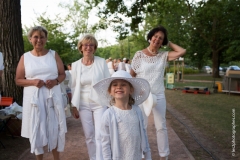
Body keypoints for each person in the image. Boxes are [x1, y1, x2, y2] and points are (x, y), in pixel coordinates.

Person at [130, 25, 186, 160]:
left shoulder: (163, 56)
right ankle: (142, 153)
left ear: (163, 42)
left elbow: (182, 51)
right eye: (155, 36)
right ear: (150, 38)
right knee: (141, 125)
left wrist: (169, 42)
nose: (157, 39)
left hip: (159, 94)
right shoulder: (139, 54)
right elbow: (132, 75)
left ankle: (164, 155)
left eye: (161, 38)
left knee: (161, 126)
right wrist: (135, 92)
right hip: (142, 95)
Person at [15, 26, 67, 160]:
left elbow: (62, 74)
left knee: (54, 127)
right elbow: (18, 80)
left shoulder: (53, 54)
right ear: (30, 39)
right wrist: (32, 82)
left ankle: (57, 158)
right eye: (36, 37)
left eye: (42, 37)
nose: (39, 40)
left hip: (52, 97)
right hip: (33, 99)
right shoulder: (25, 57)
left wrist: (55, 81)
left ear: (46, 39)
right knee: (36, 128)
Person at [93, 70, 152, 160]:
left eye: (123, 84)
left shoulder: (137, 111)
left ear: (131, 90)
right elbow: (105, 143)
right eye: (115, 85)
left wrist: (148, 156)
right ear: (110, 91)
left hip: (135, 156)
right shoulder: (109, 114)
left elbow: (143, 135)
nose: (119, 87)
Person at [71, 34, 110, 160]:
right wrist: (74, 106)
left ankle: (101, 158)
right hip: (82, 103)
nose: (88, 47)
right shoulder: (76, 65)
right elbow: (73, 86)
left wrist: (110, 103)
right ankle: (93, 157)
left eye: (91, 45)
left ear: (95, 48)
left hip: (99, 102)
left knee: (100, 134)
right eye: (85, 45)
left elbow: (108, 83)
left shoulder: (101, 62)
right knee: (89, 135)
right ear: (81, 47)